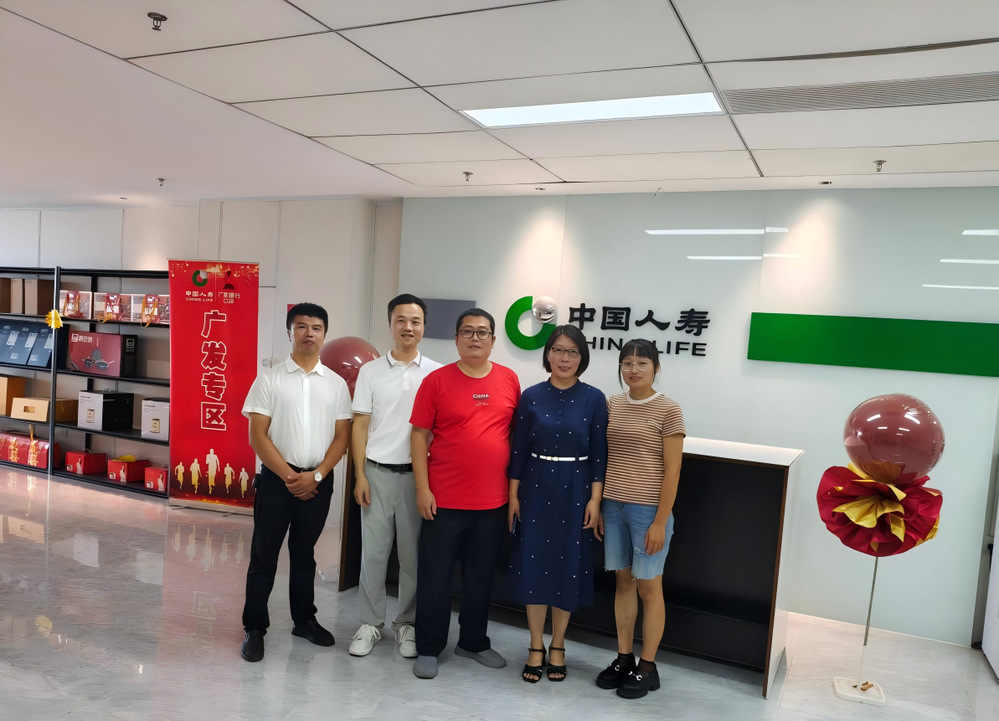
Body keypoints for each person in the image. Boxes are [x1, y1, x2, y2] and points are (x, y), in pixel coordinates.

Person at [409, 308, 521, 679]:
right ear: (456, 339)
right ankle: (429, 646)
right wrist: (422, 488)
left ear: (493, 340)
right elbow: (419, 435)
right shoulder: (436, 381)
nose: (475, 338)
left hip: (492, 502)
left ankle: (473, 642)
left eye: (482, 332)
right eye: (468, 331)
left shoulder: (509, 380)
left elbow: (513, 437)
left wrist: (513, 494)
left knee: (480, 577)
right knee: (436, 577)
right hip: (443, 500)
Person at [239, 302, 352, 663]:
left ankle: (304, 620)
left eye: (316, 328)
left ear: (324, 334)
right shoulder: (270, 379)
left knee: (305, 554)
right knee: (264, 555)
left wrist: (315, 476)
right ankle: (255, 627)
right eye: (301, 326)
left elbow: (342, 437)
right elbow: (258, 436)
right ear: (289, 332)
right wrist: (290, 477)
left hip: (318, 481)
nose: (309, 333)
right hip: (277, 481)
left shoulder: (336, 384)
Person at [507, 325, 607, 683]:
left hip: (576, 488)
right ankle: (536, 644)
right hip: (535, 486)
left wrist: (595, 499)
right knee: (534, 563)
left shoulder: (594, 398)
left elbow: (599, 453)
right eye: (558, 350)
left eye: (573, 352)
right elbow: (518, 449)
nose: (565, 358)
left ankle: (559, 644)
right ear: (547, 354)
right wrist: (513, 495)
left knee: (568, 565)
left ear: (582, 358)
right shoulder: (531, 395)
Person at [348, 294, 442, 659]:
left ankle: (407, 624)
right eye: (401, 320)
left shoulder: (436, 372)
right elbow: (360, 425)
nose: (408, 327)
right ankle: (370, 623)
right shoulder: (370, 371)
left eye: (415, 321)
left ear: (424, 326)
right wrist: (359, 475)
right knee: (372, 555)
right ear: (390, 324)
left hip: (418, 478)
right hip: (376, 473)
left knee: (412, 558)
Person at [596, 338, 685, 699]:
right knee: (623, 581)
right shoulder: (612, 404)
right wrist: (600, 505)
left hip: (648, 511)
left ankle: (647, 667)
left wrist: (660, 521)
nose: (633, 369)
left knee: (649, 587)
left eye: (642, 363)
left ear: (656, 368)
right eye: (627, 363)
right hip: (612, 505)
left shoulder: (669, 409)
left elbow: (673, 470)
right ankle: (624, 658)